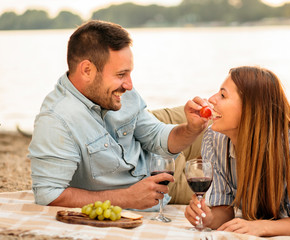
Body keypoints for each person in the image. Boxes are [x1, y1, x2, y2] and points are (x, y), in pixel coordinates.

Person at [28, 20, 208, 209]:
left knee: (232, 117)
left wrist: (191, 129)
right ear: (87, 70)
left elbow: (156, 137)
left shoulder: (119, 92)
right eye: (121, 74)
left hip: (159, 152)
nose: (129, 85)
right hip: (166, 186)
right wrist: (126, 198)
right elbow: (48, 194)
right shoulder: (56, 121)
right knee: (232, 191)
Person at [184, 66, 290, 236]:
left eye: (223, 95)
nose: (211, 99)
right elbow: (224, 210)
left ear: (251, 107)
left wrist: (260, 227)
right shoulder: (213, 139)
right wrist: (207, 218)